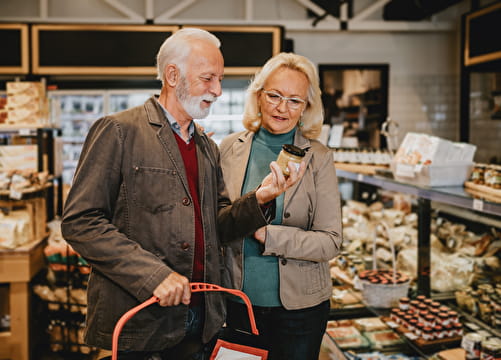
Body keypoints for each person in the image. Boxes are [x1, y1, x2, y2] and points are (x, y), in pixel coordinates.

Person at [61, 29, 304, 360]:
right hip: (143, 316)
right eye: (208, 79)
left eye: (219, 79)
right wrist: (154, 275)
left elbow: (218, 225)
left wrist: (260, 198)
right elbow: (80, 221)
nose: (217, 90)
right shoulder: (119, 130)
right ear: (172, 75)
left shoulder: (205, 146)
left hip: (201, 321)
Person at [219, 52, 343, 360]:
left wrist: (267, 236)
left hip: (300, 313)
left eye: (294, 100)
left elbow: (330, 241)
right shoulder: (228, 149)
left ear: (306, 107)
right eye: (274, 95)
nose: (282, 107)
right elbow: (217, 222)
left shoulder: (319, 157)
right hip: (237, 305)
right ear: (258, 96)